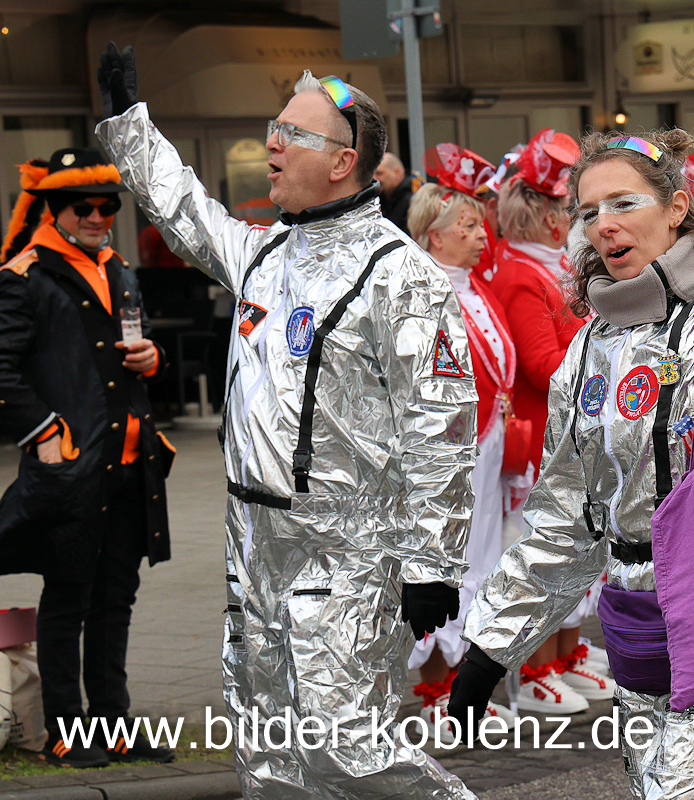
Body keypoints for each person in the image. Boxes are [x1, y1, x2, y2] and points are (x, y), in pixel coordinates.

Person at [94, 45, 477, 798]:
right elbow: (183, 208)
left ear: (342, 162)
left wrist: (432, 561)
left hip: (347, 553)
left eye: (292, 134)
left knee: (347, 749)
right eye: (275, 128)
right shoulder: (265, 255)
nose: (272, 143)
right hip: (253, 542)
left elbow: (440, 428)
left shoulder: (399, 274)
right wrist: (128, 125)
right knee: (270, 754)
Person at [448, 122, 694, 797]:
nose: (604, 224)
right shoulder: (588, 347)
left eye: (624, 203)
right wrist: (489, 647)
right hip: (635, 627)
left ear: (677, 208)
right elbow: (568, 515)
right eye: (589, 211)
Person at [0, 147, 175, 768]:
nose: (99, 216)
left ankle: (111, 724)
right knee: (69, 597)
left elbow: (132, 346)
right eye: (84, 207)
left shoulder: (118, 267)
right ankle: (64, 729)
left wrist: (152, 358)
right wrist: (44, 431)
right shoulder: (25, 274)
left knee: (114, 600)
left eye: (107, 206)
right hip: (72, 470)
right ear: (55, 208)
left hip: (129, 465)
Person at [488, 129, 615, 712]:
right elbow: (541, 364)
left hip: (572, 431)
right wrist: (601, 355)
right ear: (542, 216)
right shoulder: (520, 274)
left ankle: (565, 655)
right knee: (546, 554)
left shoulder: (552, 266)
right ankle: (536, 667)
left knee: (582, 550)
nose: (575, 219)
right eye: (567, 209)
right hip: (544, 436)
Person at [403, 144, 524, 737]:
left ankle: (462, 687)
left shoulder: (475, 288)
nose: (481, 237)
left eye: (480, 226)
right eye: (467, 227)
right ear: (433, 235)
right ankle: (433, 686)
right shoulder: (423, 293)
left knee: (482, 558)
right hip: (448, 448)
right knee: (442, 557)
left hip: (489, 441)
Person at [374, 151, 419, 234]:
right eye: (372, 174)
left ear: (397, 172)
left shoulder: (413, 199)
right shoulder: (381, 198)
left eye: (379, 173)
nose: (374, 179)